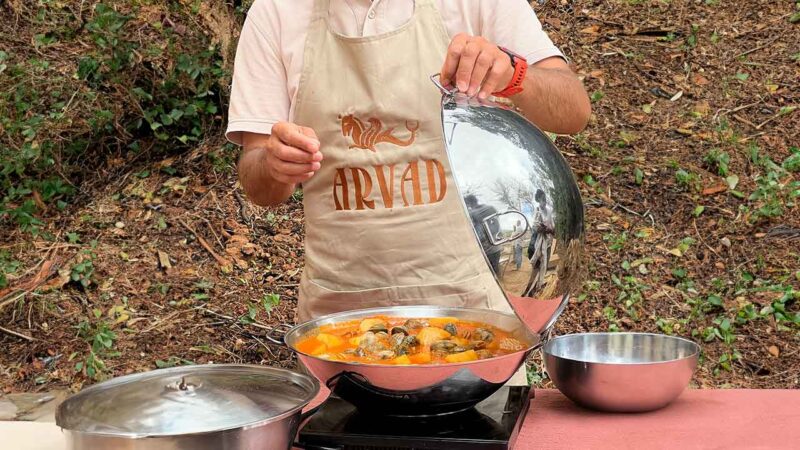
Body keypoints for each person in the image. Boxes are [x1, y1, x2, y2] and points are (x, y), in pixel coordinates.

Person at [228, 0, 589, 333]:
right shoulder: (276, 12)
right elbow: (258, 184)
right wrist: (274, 165)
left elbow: (573, 110)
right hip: (338, 328)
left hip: (476, 321)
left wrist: (514, 75)